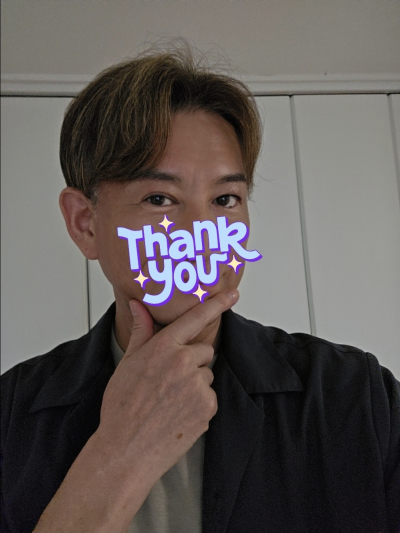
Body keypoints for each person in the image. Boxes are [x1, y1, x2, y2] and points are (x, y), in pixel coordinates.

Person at [1, 43, 399, 533]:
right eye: (160, 198)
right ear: (85, 223)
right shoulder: (11, 416)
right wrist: (120, 455)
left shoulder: (357, 397)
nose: (200, 234)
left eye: (225, 199)